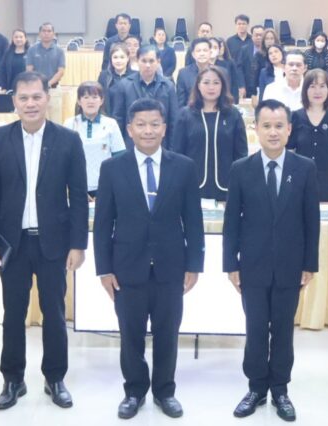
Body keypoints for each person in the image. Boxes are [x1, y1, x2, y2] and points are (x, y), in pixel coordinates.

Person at [0, 71, 88, 411]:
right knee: (13, 313)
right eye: (23, 98)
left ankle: (55, 377)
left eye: (36, 97)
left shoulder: (68, 140)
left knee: (54, 313)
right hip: (12, 244)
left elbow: (78, 197)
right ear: (13, 101)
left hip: (54, 242)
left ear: (47, 99)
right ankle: (13, 379)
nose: (30, 103)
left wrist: (78, 244)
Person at [93, 98, 205, 420]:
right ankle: (134, 391)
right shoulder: (112, 168)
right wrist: (104, 270)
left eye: (155, 124)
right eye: (141, 124)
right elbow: (103, 223)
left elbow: (193, 220)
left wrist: (194, 265)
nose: (148, 130)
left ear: (164, 128)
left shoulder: (183, 167)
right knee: (130, 335)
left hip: (171, 267)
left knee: (168, 334)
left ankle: (165, 391)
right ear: (129, 129)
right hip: (127, 268)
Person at [223, 99, 319, 422]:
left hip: (290, 266)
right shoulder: (241, 169)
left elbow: (311, 221)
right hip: (252, 266)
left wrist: (309, 264)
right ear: (256, 129)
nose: (273, 132)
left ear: (289, 129)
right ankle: (255, 387)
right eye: (267, 126)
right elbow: (232, 223)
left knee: (282, 329)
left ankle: (280, 388)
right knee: (255, 328)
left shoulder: (305, 168)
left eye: (279, 126)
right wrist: (231, 265)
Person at [170, 66, 247, 201]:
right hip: (192, 186)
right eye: (206, 82)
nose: (211, 87)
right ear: (198, 85)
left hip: (227, 186)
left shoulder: (233, 114)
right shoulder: (185, 115)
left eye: (216, 83)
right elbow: (177, 153)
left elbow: (241, 153)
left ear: (223, 86)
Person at [288, 69, 328, 201]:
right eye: (312, 86)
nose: (318, 91)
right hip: (300, 181)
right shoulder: (295, 117)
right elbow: (289, 153)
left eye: (322, 86)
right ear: (305, 89)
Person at [63, 82, 126, 197]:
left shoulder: (111, 124)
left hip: (105, 187)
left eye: (94, 97)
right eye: (86, 97)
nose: (90, 101)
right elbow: (63, 160)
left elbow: (119, 159)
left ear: (101, 101)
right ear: (79, 101)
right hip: (76, 187)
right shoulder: (69, 124)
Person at [109, 45, 179, 147]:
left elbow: (173, 120)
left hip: (160, 144)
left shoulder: (168, 86)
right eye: (144, 61)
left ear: (158, 62)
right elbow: (118, 118)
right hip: (132, 144)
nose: (147, 65)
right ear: (137, 61)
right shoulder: (124, 85)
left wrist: (171, 149)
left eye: (151, 61)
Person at [175, 38, 214, 108]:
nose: (202, 54)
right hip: (191, 112)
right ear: (193, 54)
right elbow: (180, 102)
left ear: (210, 53)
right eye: (198, 51)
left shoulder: (220, 72)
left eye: (205, 50)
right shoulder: (183, 73)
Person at [27, 23, 67, 89]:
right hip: (35, 87)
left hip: (54, 88)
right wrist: (38, 84)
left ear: (53, 34)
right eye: (44, 31)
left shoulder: (59, 51)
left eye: (49, 31)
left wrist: (48, 84)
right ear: (39, 34)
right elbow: (29, 70)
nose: (46, 33)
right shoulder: (32, 50)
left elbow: (61, 72)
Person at [210, 37, 247, 101]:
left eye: (221, 46)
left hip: (226, 95)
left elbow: (234, 83)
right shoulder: (210, 63)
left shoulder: (229, 62)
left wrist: (235, 100)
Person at [226, 15, 255, 88]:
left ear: (248, 25)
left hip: (250, 76)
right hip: (234, 75)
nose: (241, 26)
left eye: (244, 24)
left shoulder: (253, 40)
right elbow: (227, 58)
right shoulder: (230, 41)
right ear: (235, 25)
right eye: (239, 24)